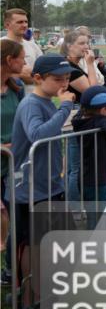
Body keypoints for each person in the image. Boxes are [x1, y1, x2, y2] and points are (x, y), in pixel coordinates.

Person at [9, 55, 76, 285]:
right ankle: (29, 298)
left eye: (67, 79)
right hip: (28, 189)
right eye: (58, 79)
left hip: (48, 184)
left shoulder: (46, 102)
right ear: (37, 78)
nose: (64, 85)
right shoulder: (30, 104)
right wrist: (65, 107)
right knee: (32, 244)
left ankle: (47, 288)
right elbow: (37, 134)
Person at [62, 30, 100, 202]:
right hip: (76, 114)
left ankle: (72, 205)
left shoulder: (74, 66)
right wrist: (91, 64)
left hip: (75, 113)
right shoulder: (71, 68)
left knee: (73, 165)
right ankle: (75, 208)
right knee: (76, 167)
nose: (86, 47)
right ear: (70, 46)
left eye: (87, 43)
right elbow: (93, 91)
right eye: (82, 43)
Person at [71, 86, 106, 219]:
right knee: (100, 218)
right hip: (99, 180)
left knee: (93, 215)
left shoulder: (80, 119)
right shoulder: (100, 121)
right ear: (103, 109)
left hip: (85, 178)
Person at [1, 39, 26, 280]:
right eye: (22, 58)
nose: (26, 62)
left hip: (12, 165)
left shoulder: (17, 87)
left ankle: (10, 271)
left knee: (14, 218)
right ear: (9, 60)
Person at [3, 9, 44, 85]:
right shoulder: (1, 45)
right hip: (7, 95)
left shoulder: (33, 46)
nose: (25, 25)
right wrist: (17, 74)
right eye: (20, 22)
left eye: (26, 22)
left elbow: (44, 70)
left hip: (32, 94)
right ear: (7, 25)